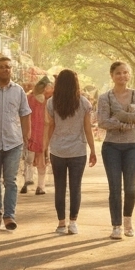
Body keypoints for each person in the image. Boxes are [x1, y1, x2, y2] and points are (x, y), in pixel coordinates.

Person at [44, 69, 96, 235]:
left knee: (59, 187)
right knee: (75, 187)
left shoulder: (52, 102)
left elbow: (50, 126)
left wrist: (45, 148)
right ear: (76, 83)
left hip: (58, 150)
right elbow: (87, 128)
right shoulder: (84, 103)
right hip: (78, 151)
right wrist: (93, 150)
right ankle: (73, 223)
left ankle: (61, 224)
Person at [0, 56, 31, 231]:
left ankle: (9, 216)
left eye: (8, 67)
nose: (6, 70)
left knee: (11, 181)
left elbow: (25, 114)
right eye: (2, 67)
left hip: (14, 142)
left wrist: (27, 136)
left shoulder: (19, 91)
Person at [98, 61, 135, 239]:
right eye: (118, 73)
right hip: (111, 147)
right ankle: (116, 225)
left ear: (129, 75)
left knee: (131, 187)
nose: (122, 76)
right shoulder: (105, 98)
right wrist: (126, 122)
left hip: (133, 146)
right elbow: (102, 121)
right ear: (112, 76)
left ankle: (128, 221)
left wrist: (117, 117)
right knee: (115, 187)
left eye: (125, 73)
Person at [22, 76, 52, 196]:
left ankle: (28, 184)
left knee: (29, 160)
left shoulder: (32, 99)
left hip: (34, 133)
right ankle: (38, 186)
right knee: (37, 160)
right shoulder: (45, 100)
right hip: (39, 133)